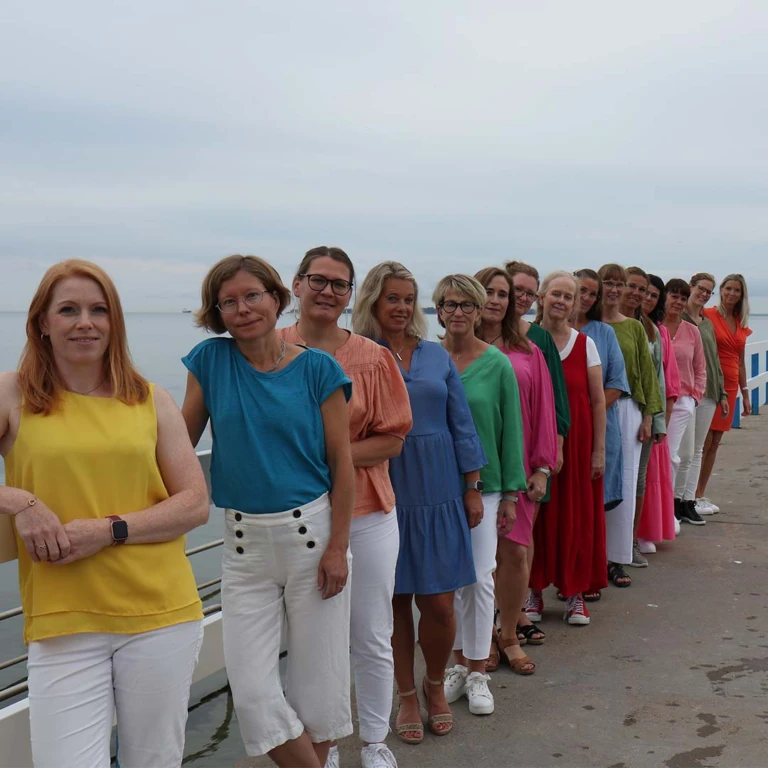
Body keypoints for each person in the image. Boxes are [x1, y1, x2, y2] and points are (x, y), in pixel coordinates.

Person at [0, 259, 208, 768]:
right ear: (42, 322)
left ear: (114, 321)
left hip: (161, 612)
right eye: (68, 310)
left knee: (154, 761)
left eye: (98, 310)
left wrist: (109, 530)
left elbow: (195, 503)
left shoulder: (150, 399)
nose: (85, 323)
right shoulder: (13, 393)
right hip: (62, 619)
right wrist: (20, 502)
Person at [181, 255, 355, 768]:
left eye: (252, 296)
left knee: (318, 690)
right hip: (243, 548)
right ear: (217, 312)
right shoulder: (210, 362)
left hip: (313, 538)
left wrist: (339, 547)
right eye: (228, 302)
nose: (242, 309)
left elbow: (342, 463)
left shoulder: (319, 368)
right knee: (254, 694)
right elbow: (176, 448)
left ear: (277, 298)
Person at [280, 246, 412, 768]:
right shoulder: (266, 349)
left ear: (351, 294)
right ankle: (324, 744)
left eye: (339, 284)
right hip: (295, 518)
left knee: (372, 633)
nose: (327, 291)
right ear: (296, 284)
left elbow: (393, 439)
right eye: (318, 280)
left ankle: (375, 741)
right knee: (312, 642)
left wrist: (328, 457)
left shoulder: (373, 358)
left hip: (367, 514)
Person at [352, 262, 486, 744]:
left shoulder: (435, 355)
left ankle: (434, 684)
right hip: (382, 487)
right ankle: (406, 694)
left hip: (440, 487)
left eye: (408, 298)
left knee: (440, 604)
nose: (402, 307)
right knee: (392, 603)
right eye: (392, 297)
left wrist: (472, 484)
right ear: (373, 300)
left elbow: (461, 421)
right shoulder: (357, 353)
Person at [435, 273, 526, 702]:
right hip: (433, 487)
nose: (458, 312)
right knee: (443, 582)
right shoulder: (427, 359)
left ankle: (477, 672)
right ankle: (455, 664)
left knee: (479, 577)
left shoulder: (497, 364)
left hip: (485, 487)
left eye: (466, 305)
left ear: (477, 311)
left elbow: (511, 432)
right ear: (438, 310)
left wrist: (510, 495)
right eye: (450, 304)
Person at [475, 267, 557, 655]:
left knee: (513, 552)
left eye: (502, 294)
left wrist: (542, 468)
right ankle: (480, 638)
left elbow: (544, 410)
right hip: (470, 470)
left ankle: (507, 632)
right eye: (487, 292)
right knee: (476, 558)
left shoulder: (528, 351)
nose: (495, 300)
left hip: (517, 468)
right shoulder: (453, 349)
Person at [530, 271, 606, 626]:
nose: (560, 301)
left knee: (577, 517)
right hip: (535, 442)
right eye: (555, 294)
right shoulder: (525, 339)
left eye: (568, 296)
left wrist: (599, 451)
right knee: (536, 518)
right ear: (541, 296)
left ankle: (575, 594)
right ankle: (532, 590)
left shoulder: (584, 344)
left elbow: (598, 401)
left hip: (577, 445)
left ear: (575, 304)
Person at [503, 260, 570, 631]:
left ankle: (516, 614)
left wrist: (554, 448)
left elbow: (555, 397)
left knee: (522, 535)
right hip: (490, 451)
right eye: (518, 290)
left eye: (530, 292)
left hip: (530, 450)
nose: (523, 298)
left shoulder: (539, 339)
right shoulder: (482, 332)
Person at [597, 264, 662, 588]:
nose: (614, 289)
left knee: (624, 485)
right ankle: (591, 557)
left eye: (618, 283)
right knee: (594, 484)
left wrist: (649, 416)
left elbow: (647, 374)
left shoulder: (634, 327)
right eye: (607, 282)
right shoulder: (586, 325)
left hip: (627, 409)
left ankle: (617, 558)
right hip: (591, 411)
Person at [573, 269, 630, 517]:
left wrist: (586, 415)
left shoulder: (604, 332)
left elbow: (617, 384)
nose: (586, 298)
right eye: (582, 291)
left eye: (592, 294)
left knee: (594, 503)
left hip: (599, 427)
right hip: (560, 428)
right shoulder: (546, 330)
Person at [621, 267, 667, 567]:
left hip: (642, 414)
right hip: (612, 410)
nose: (637, 294)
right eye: (632, 287)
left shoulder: (650, 329)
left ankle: (630, 541)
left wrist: (656, 420)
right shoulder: (602, 323)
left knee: (637, 481)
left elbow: (656, 378)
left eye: (643, 289)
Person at [698, 274, 752, 513]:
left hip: (730, 388)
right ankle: (690, 495)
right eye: (728, 288)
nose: (731, 293)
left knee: (715, 442)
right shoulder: (708, 315)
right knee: (704, 440)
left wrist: (745, 393)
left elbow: (740, 361)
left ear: (742, 295)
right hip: (711, 385)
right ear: (720, 290)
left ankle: (700, 493)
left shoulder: (740, 321)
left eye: (736, 290)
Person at [636, 275, 680, 548]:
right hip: (628, 408)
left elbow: (663, 379)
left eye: (654, 295)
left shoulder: (655, 331)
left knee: (643, 478)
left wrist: (660, 418)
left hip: (651, 412)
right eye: (645, 292)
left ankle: (639, 535)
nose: (648, 299)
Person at [683, 274, 729, 517]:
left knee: (698, 449)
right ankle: (676, 501)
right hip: (687, 393)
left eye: (709, 292)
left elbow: (715, 360)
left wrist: (722, 393)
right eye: (700, 288)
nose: (704, 294)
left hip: (709, 393)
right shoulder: (678, 319)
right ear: (690, 287)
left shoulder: (707, 323)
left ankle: (690, 500)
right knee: (683, 450)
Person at [662, 279, 707, 527]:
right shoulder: (654, 327)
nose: (678, 302)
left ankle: (676, 504)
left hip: (684, 402)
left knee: (684, 455)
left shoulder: (692, 332)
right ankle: (664, 509)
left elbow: (700, 368)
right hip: (660, 402)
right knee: (667, 456)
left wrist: (694, 397)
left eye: (682, 298)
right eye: (674, 296)